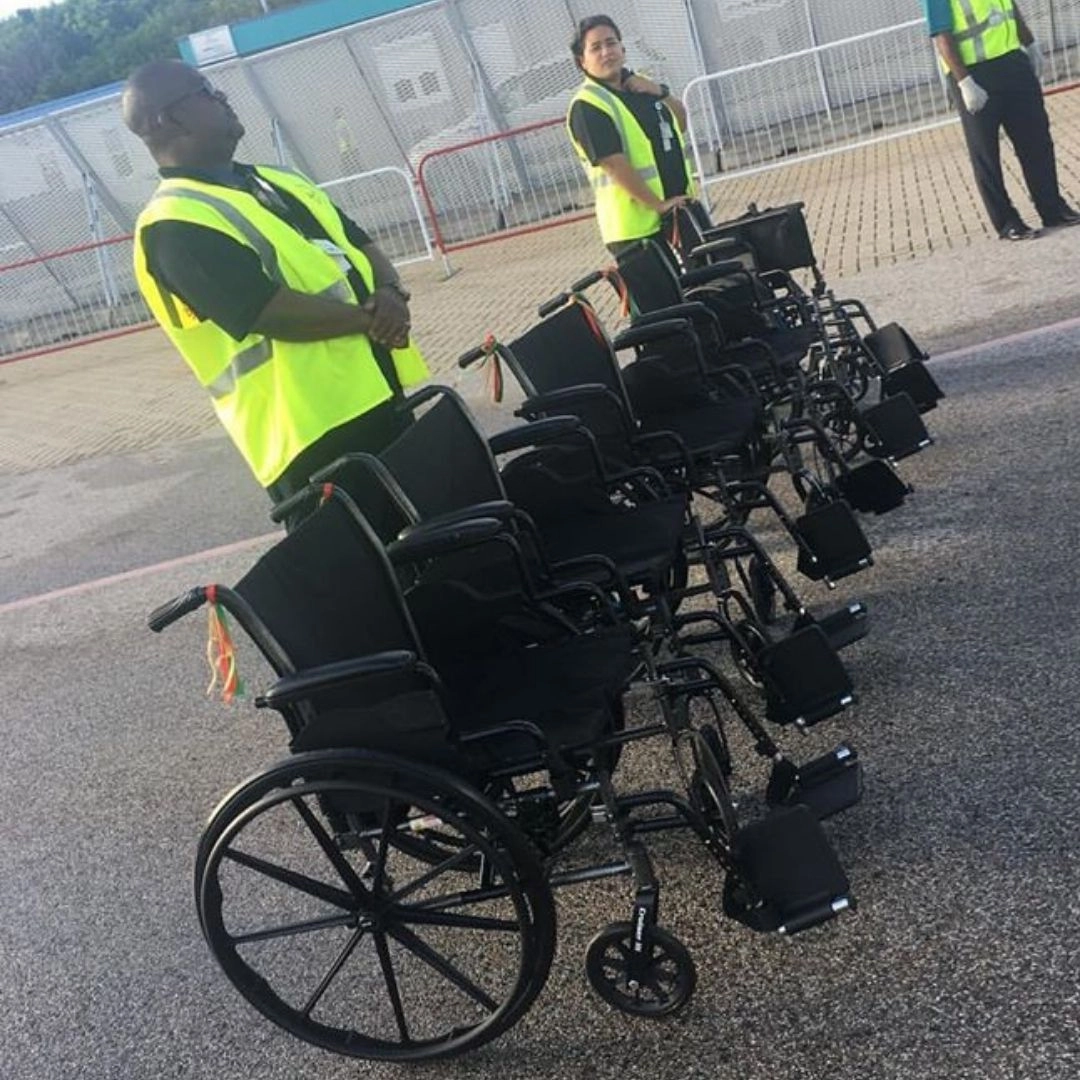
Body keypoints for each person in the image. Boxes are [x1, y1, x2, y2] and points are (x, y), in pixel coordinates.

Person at [121, 59, 428, 516]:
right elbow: (265, 310)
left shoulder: (276, 180)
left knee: (432, 541)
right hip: (310, 438)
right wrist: (374, 318)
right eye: (205, 90)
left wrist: (390, 293)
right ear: (168, 119)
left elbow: (360, 243)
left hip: (377, 393)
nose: (222, 96)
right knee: (367, 576)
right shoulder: (173, 224)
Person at [924, 0, 1080, 240]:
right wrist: (964, 83)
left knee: (1037, 141)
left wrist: (1030, 43)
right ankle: (1007, 222)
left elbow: (1010, 8)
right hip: (974, 73)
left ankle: (1053, 209)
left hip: (1012, 61)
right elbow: (941, 36)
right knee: (986, 154)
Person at [566, 14, 699, 258]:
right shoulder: (588, 106)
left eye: (611, 42)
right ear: (582, 61)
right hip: (636, 231)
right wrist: (658, 206)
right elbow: (614, 165)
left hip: (679, 211)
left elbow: (680, 124)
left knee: (718, 285)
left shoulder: (640, 87)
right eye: (596, 48)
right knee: (666, 297)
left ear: (623, 49)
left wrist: (661, 92)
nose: (607, 52)